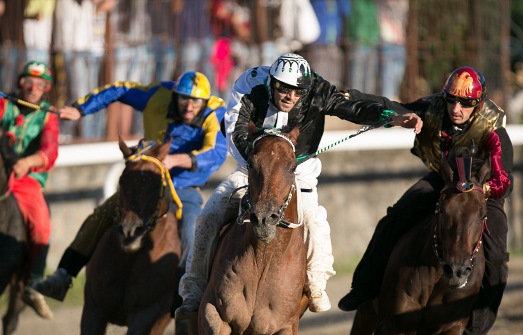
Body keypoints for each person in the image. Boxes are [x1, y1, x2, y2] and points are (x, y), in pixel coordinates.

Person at [175, 52, 422, 320]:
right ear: (271, 81)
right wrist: (263, 165)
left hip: (298, 169)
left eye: (297, 91)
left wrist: (393, 117)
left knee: (314, 219)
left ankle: (316, 284)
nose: (289, 96)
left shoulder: (318, 90)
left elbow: (354, 108)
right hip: (252, 166)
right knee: (209, 215)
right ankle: (193, 290)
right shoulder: (250, 84)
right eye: (283, 88)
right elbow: (234, 130)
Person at [338, 66, 513, 335]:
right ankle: (365, 287)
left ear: (479, 103)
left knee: (496, 255)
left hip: (479, 193)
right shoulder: (431, 108)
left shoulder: (494, 130)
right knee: (394, 219)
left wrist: (477, 190)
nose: (456, 109)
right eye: (451, 101)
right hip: (442, 182)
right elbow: (388, 106)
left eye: (466, 104)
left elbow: (503, 181)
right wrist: (344, 98)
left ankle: (475, 330)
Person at [32, 72, 227, 316]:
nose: (189, 106)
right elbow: (120, 89)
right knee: (101, 215)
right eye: (184, 99)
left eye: (195, 101)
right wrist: (81, 109)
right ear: (175, 96)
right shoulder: (158, 94)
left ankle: (186, 300)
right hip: (145, 182)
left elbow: (216, 152)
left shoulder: (216, 112)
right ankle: (63, 276)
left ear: (205, 102)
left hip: (183, 187)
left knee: (192, 233)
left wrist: (176, 159)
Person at [0, 60, 60, 320]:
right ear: (20, 83)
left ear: (46, 89)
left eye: (40, 84)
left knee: (42, 224)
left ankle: (32, 283)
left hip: (25, 180)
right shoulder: (4, 104)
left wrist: (28, 162)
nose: (33, 88)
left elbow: (50, 151)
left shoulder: (48, 115)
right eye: (28, 82)